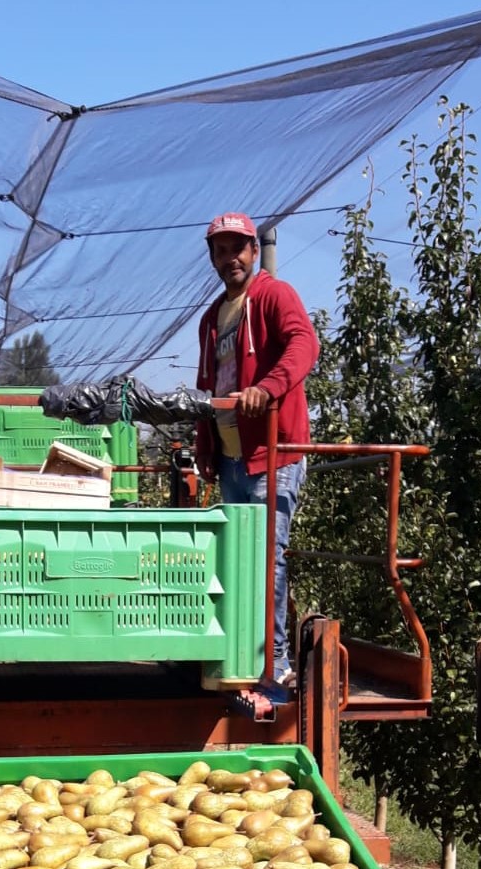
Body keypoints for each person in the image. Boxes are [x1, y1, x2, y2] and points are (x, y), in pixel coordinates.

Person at [194, 211, 319, 691]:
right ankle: (240, 656)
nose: (231, 260)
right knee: (234, 559)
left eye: (238, 249)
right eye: (221, 252)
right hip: (231, 456)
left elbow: (304, 344)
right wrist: (207, 443)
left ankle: (276, 663)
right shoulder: (212, 318)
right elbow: (209, 387)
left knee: (267, 557)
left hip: (272, 452)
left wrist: (268, 388)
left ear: (252, 250)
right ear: (214, 260)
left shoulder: (274, 295)